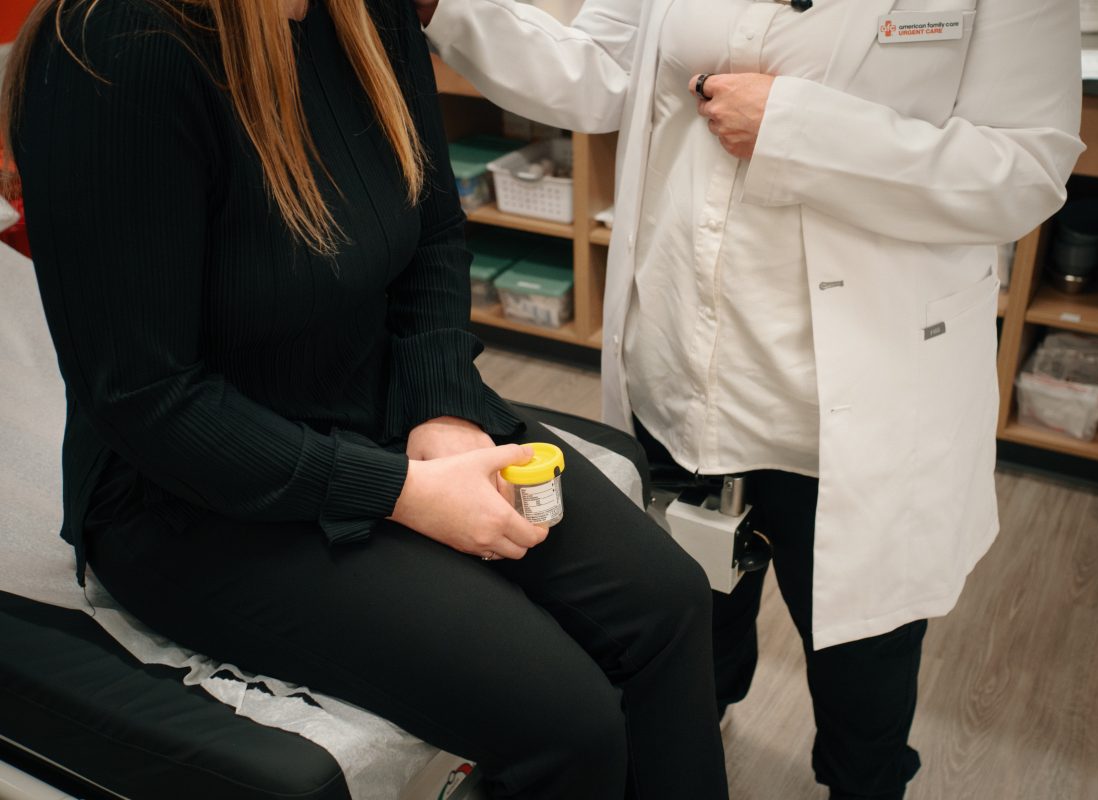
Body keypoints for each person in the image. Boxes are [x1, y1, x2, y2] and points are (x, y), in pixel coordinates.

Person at [0, 1, 731, 797]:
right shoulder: (112, 52)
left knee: (669, 607)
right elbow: (144, 398)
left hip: (374, 402)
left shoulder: (364, 12)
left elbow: (434, 232)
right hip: (193, 492)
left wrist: (443, 408)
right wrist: (400, 493)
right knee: (566, 718)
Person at [416, 0, 1085, 797]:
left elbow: (1025, 169)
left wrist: (798, 129)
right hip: (684, 379)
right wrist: (443, 7)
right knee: (689, 641)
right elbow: (598, 75)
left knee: (862, 691)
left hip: (850, 415)